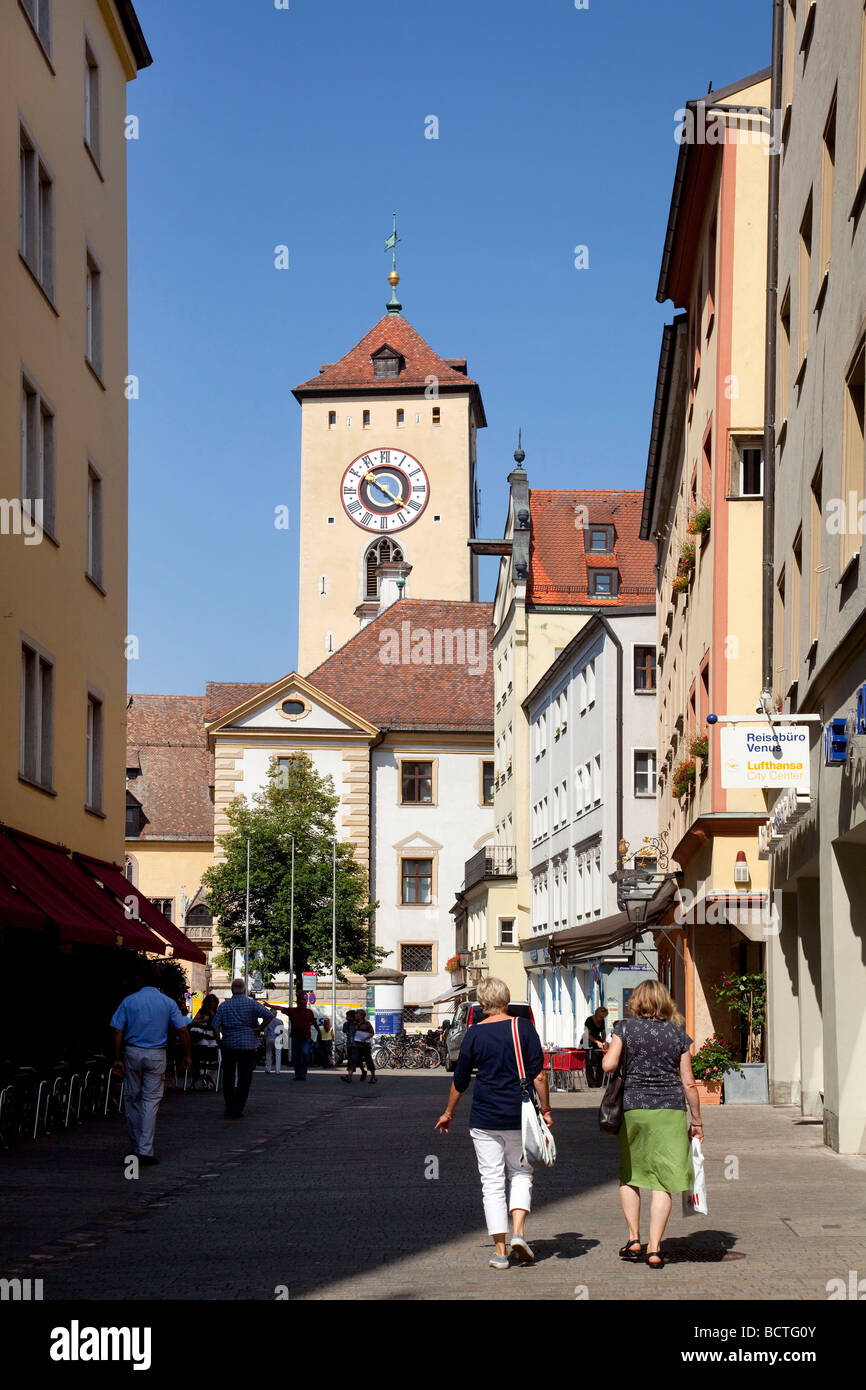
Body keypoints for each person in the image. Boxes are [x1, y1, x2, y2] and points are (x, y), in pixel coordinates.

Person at [435, 977, 551, 1269]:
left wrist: (448, 1112)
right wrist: (546, 1109)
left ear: (483, 1003)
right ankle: (519, 1233)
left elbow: (460, 1079)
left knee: (492, 1183)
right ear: (507, 998)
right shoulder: (522, 1027)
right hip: (519, 1116)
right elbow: (539, 1075)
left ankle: (500, 1252)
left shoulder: (474, 1034)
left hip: (485, 1117)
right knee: (521, 1174)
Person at [602, 979, 703, 1270]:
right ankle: (655, 1248)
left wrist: (613, 1048)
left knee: (630, 1174)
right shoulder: (677, 1034)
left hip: (634, 1109)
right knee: (664, 1180)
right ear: (665, 1002)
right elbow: (688, 1082)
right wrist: (697, 1121)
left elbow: (608, 1065)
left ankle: (634, 1240)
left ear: (636, 1002)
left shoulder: (624, 1028)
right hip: (670, 1111)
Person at [110, 964, 191, 1164]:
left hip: (132, 1052)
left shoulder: (129, 1001)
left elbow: (118, 1030)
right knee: (151, 1101)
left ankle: (136, 1144)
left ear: (140, 980)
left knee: (131, 1098)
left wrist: (117, 1057)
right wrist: (188, 1055)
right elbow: (182, 1030)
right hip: (156, 1054)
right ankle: (145, 1150)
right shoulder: (168, 1003)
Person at [212, 981, 275, 1118]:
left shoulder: (224, 1006)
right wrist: (260, 1028)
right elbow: (269, 1015)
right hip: (248, 1045)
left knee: (228, 1077)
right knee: (244, 1078)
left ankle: (229, 1106)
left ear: (232, 990)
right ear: (244, 989)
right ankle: (238, 1107)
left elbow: (215, 1026)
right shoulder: (252, 1004)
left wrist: (219, 1041)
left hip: (229, 1045)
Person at [189, 994, 220, 1083]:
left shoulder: (217, 1012)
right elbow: (193, 1021)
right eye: (210, 1001)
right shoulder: (203, 1011)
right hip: (203, 1035)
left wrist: (218, 1039)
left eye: (214, 1001)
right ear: (207, 1002)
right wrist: (203, 1020)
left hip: (212, 1036)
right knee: (203, 1050)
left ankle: (210, 1076)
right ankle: (202, 1074)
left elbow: (217, 1027)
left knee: (216, 1055)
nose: (212, 1003)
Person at [286, 995, 317, 1080]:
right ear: (298, 1003)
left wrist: (319, 1031)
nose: (303, 1006)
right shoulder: (293, 1011)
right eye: (301, 1004)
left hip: (306, 1037)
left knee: (305, 1055)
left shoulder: (309, 1012)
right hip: (296, 1037)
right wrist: (269, 1005)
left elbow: (314, 1022)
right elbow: (280, 1008)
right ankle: (298, 1074)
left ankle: (302, 1074)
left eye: (304, 1004)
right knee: (296, 1056)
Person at [341, 1009, 375, 1084]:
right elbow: (349, 1031)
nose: (355, 1015)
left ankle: (373, 1076)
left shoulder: (367, 1023)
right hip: (355, 1045)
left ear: (361, 1016)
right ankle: (349, 1076)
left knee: (368, 1060)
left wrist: (366, 1038)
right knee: (352, 1060)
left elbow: (372, 1032)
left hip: (365, 1045)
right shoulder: (353, 1023)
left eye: (357, 1014)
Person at [584, 1005, 609, 1087]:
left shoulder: (602, 1021)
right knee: (589, 1062)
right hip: (588, 1041)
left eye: (603, 1017)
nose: (602, 1019)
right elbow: (587, 1034)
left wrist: (604, 1041)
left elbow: (603, 1032)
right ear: (597, 1014)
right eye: (601, 1017)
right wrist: (597, 1042)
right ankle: (591, 1082)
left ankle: (600, 1081)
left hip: (597, 1040)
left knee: (600, 1061)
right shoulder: (589, 1020)